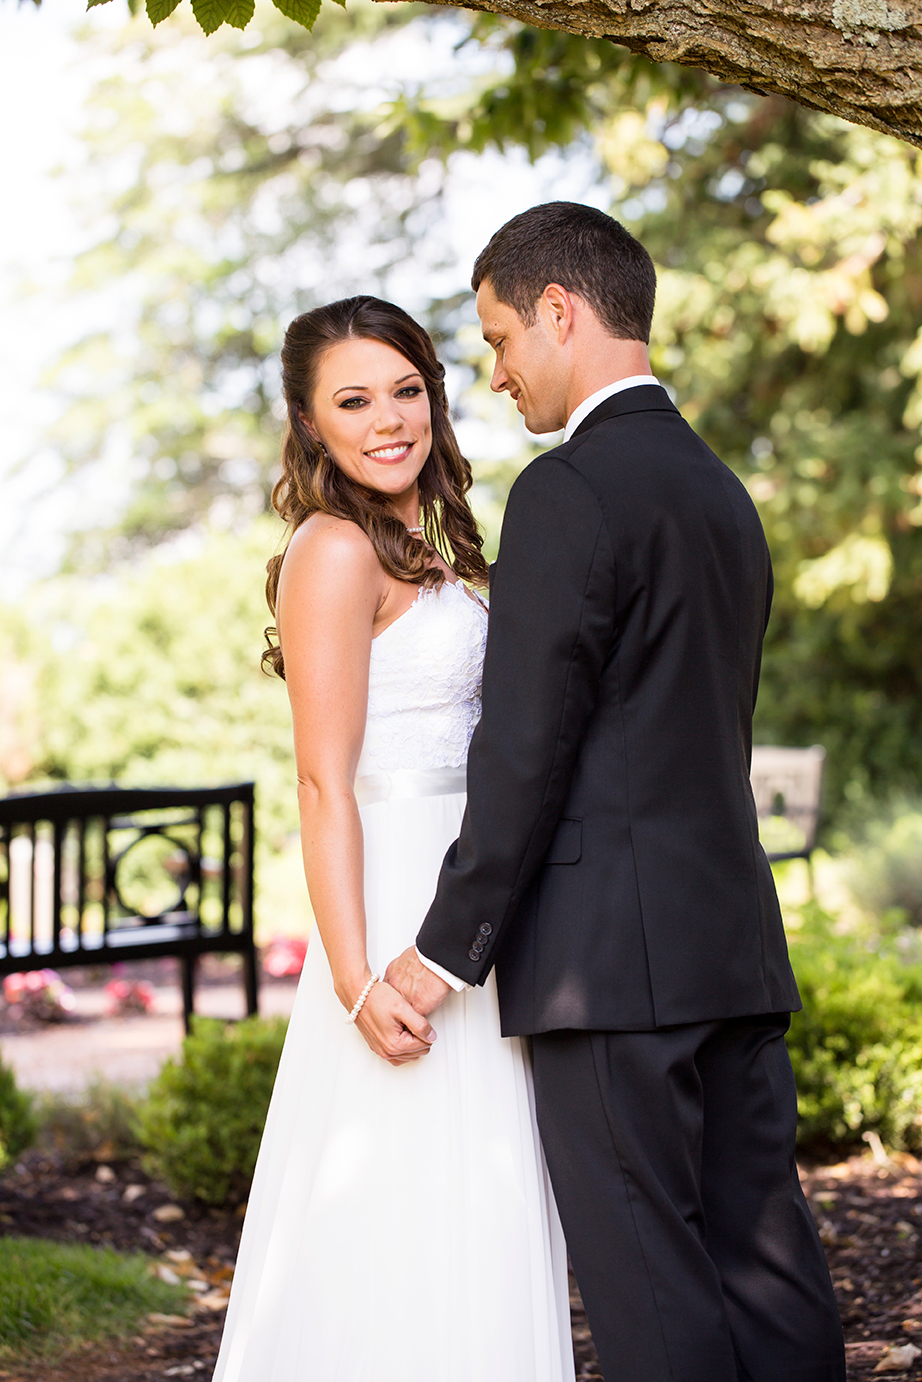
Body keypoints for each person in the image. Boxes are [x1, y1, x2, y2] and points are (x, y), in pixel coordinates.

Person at [386, 202, 847, 1382]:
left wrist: (444, 949)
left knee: (650, 1282)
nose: (493, 375)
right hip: (731, 941)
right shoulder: (717, 490)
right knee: (765, 1257)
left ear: (561, 310)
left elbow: (527, 747)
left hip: (608, 966)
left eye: (496, 341)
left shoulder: (565, 491)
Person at [211, 295, 575, 1382]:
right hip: (397, 895)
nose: (388, 420)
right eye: (353, 400)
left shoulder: (439, 535)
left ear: (436, 393)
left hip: (473, 897)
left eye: (406, 389)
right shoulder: (329, 550)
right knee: (400, 1191)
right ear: (310, 424)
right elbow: (324, 782)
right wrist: (356, 977)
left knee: (483, 1184)